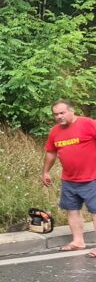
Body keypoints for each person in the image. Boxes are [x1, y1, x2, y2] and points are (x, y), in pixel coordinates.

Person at [41, 100, 96, 255]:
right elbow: (51, 152)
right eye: (56, 114)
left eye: (62, 113)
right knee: (72, 210)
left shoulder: (88, 124)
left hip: (92, 178)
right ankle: (78, 241)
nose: (59, 117)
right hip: (69, 179)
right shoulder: (55, 131)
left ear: (71, 111)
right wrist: (45, 172)